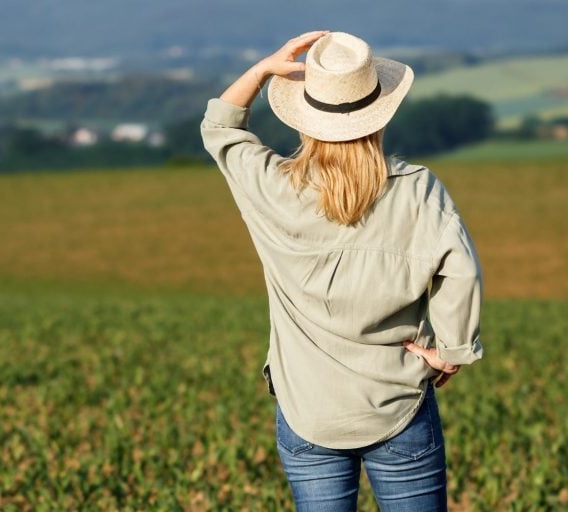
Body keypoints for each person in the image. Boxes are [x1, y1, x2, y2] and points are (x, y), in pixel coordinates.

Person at [200, 31, 483, 511]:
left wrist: (262, 69)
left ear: (307, 117)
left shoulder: (271, 187)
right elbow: (462, 270)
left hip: (308, 412)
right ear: (379, 114)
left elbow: (220, 129)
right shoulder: (418, 190)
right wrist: (451, 350)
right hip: (398, 405)